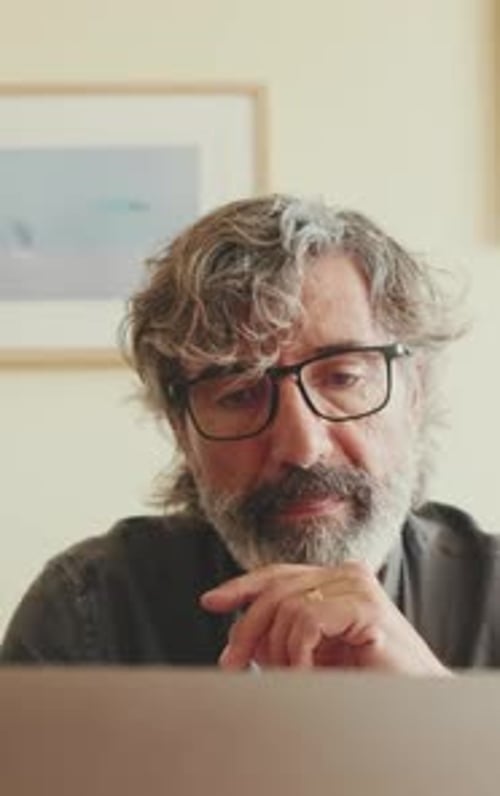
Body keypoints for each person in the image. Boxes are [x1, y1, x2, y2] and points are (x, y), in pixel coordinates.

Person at [2, 194, 498, 671]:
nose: (303, 448)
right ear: (180, 429)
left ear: (415, 393)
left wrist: (434, 697)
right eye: (239, 394)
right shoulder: (89, 613)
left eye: (343, 378)